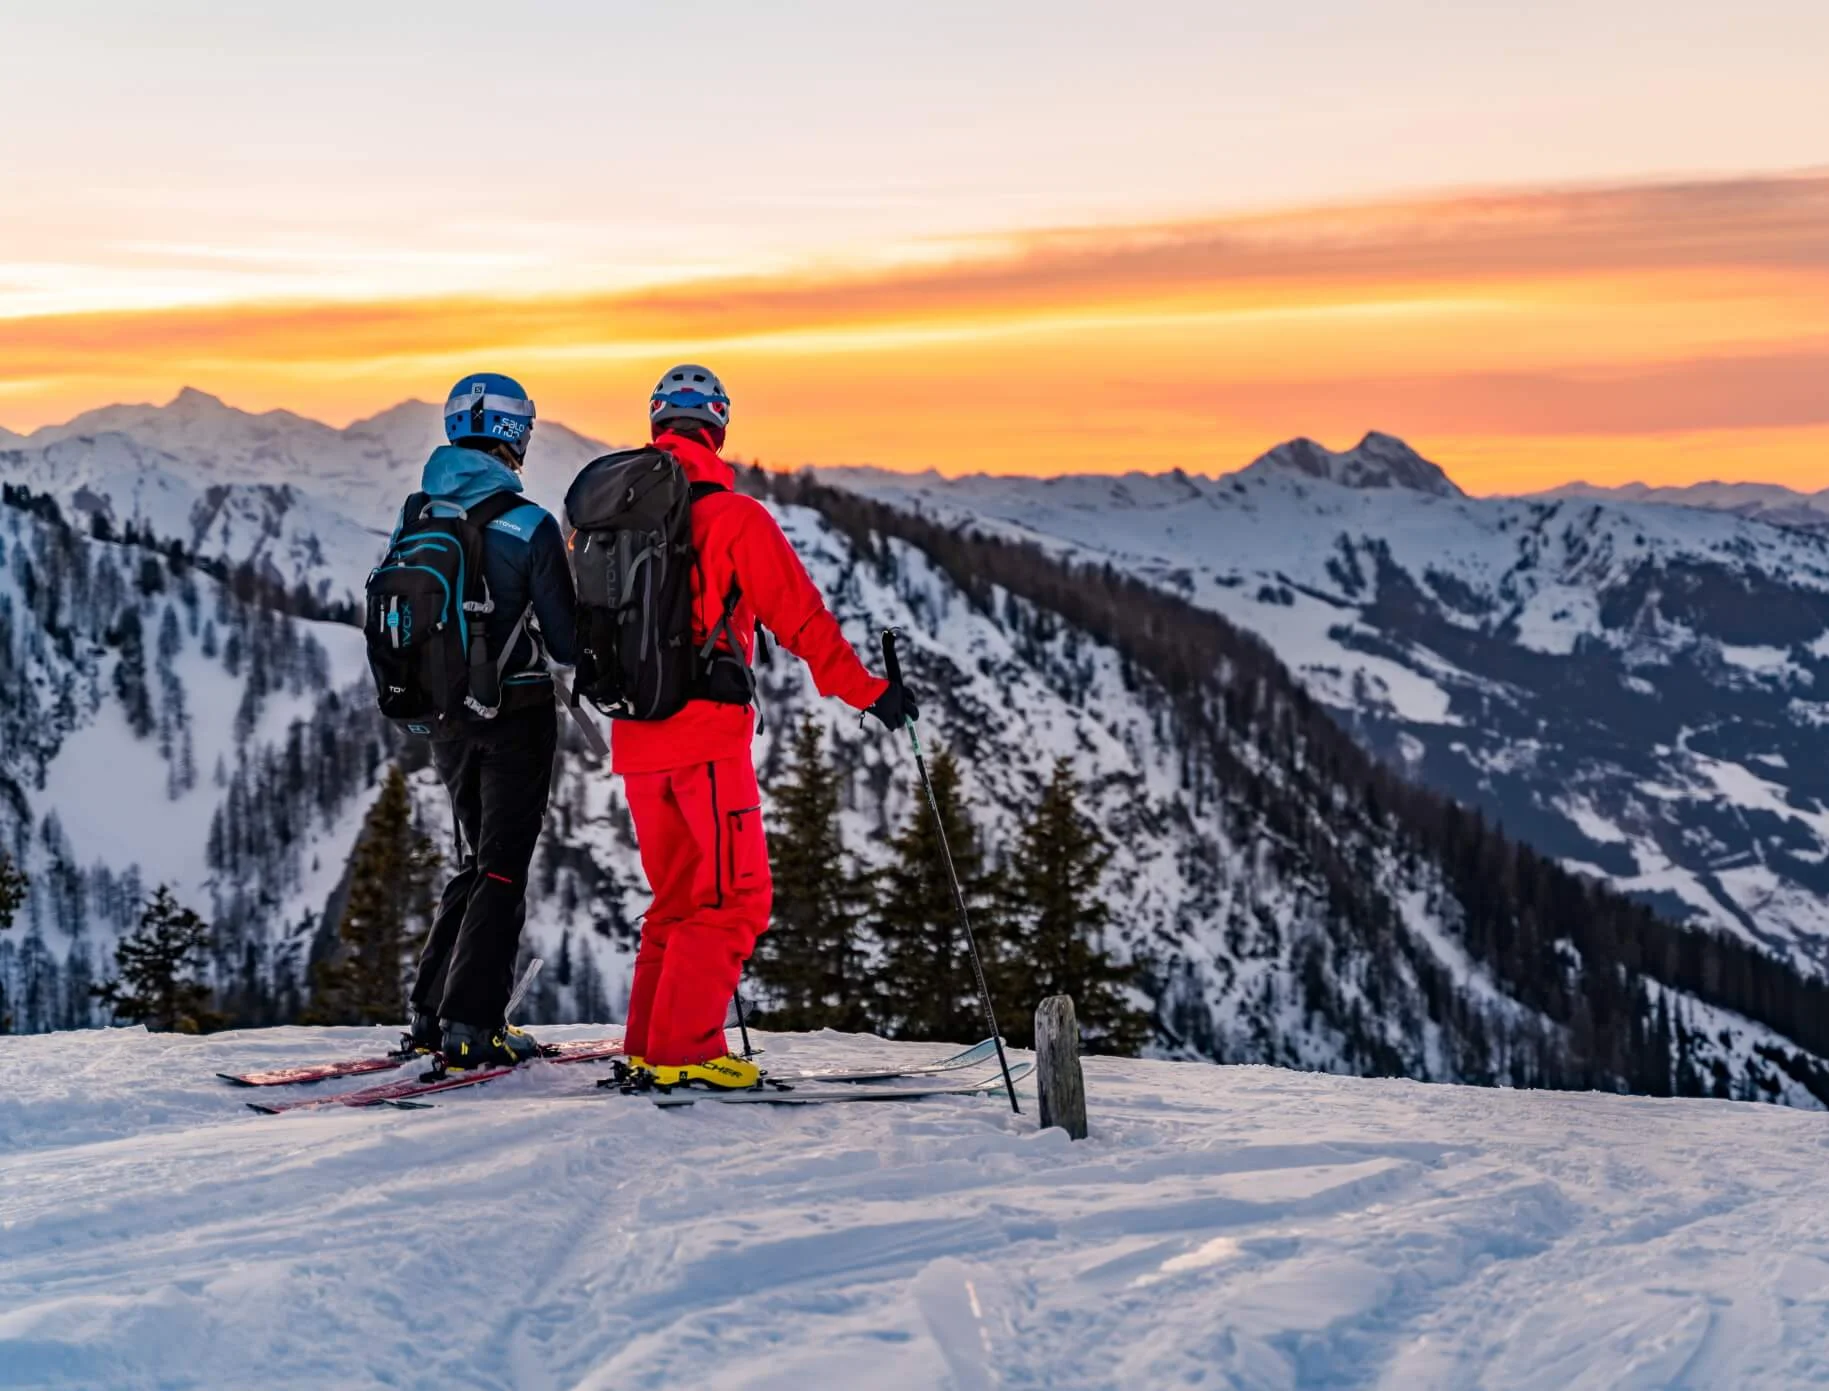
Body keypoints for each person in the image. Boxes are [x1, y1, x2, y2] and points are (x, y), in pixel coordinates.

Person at [614, 365, 917, 1089]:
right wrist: (869, 691)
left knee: (679, 899)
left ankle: (647, 1047)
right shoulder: (734, 518)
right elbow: (801, 619)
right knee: (732, 897)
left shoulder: (610, 524)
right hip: (706, 738)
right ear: (716, 426)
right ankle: (682, 1052)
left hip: (634, 739)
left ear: (658, 425)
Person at [401, 372, 579, 1067]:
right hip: (517, 712)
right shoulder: (528, 523)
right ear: (513, 434)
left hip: (443, 714)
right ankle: (473, 1024)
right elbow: (566, 643)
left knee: (474, 860)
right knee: (503, 869)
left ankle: (428, 1012)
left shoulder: (418, 510)